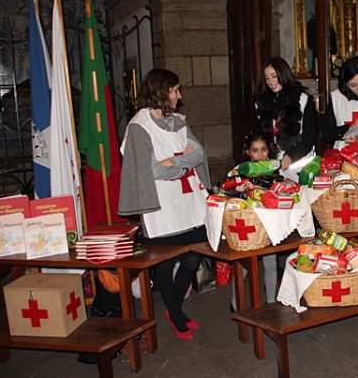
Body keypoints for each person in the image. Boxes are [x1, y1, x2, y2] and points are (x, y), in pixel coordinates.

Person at [118, 69, 211, 341]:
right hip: (161, 208)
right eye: (175, 90)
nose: (179, 95)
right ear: (161, 91)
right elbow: (151, 172)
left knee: (193, 256)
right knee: (163, 264)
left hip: (187, 204)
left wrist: (174, 162)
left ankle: (174, 310)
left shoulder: (178, 121)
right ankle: (175, 314)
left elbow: (199, 154)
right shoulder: (139, 127)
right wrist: (181, 163)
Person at [229, 132, 278, 310]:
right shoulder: (241, 169)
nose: (260, 154)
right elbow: (230, 190)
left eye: (263, 150)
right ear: (248, 152)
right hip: (248, 222)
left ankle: (271, 303)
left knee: (271, 263)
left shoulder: (274, 168)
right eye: (255, 151)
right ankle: (236, 302)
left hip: (268, 222)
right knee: (244, 265)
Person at [254, 56, 317, 181]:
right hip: (273, 164)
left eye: (274, 76)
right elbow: (260, 134)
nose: (271, 81)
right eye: (267, 78)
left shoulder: (303, 100)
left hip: (300, 163)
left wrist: (290, 155)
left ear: (283, 74)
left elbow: (309, 137)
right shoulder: (261, 103)